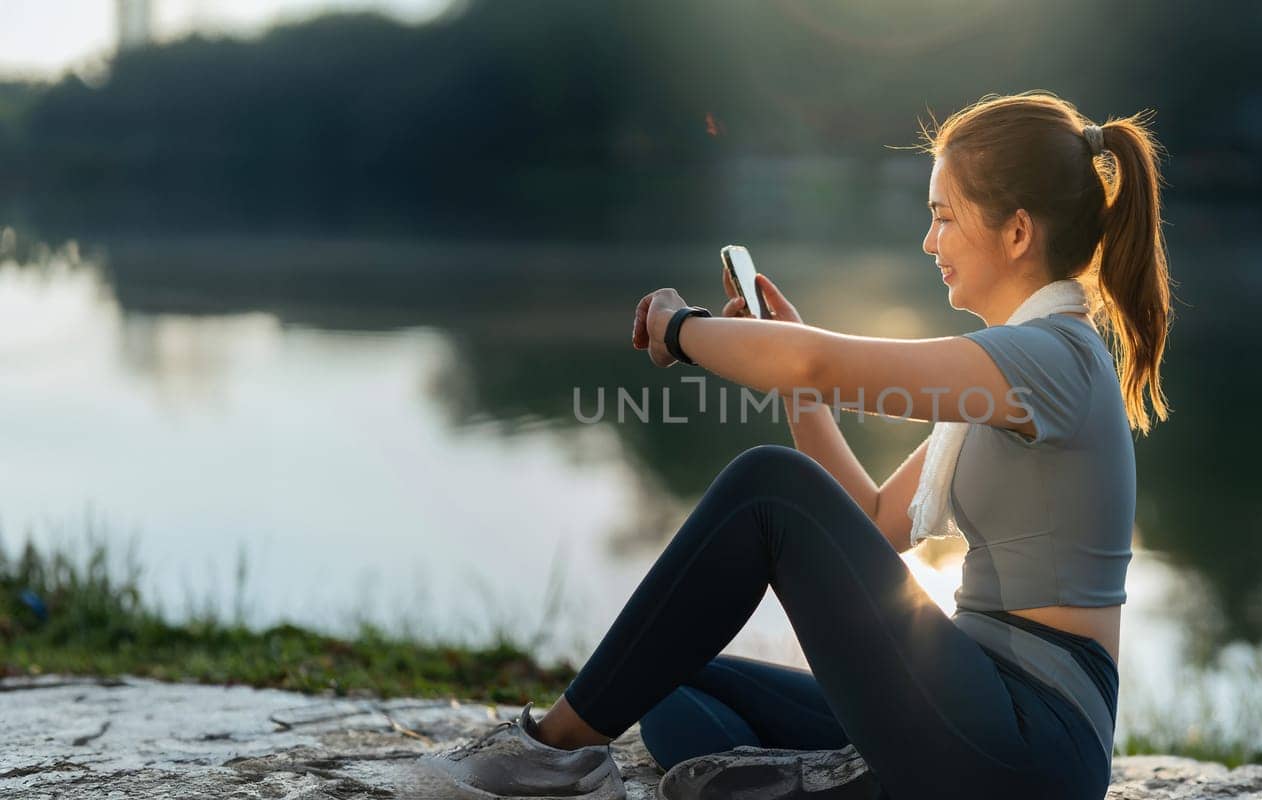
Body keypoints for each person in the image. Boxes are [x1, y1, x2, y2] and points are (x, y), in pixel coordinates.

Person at [422, 90, 1173, 800]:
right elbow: (876, 521)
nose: (928, 239)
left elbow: (816, 364)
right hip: (968, 709)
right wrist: (799, 392)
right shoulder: (1014, 367)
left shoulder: (1055, 361)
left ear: (1015, 231)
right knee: (672, 681)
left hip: (1032, 744)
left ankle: (551, 750)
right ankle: (855, 782)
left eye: (944, 217)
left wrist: (681, 332)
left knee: (768, 486)